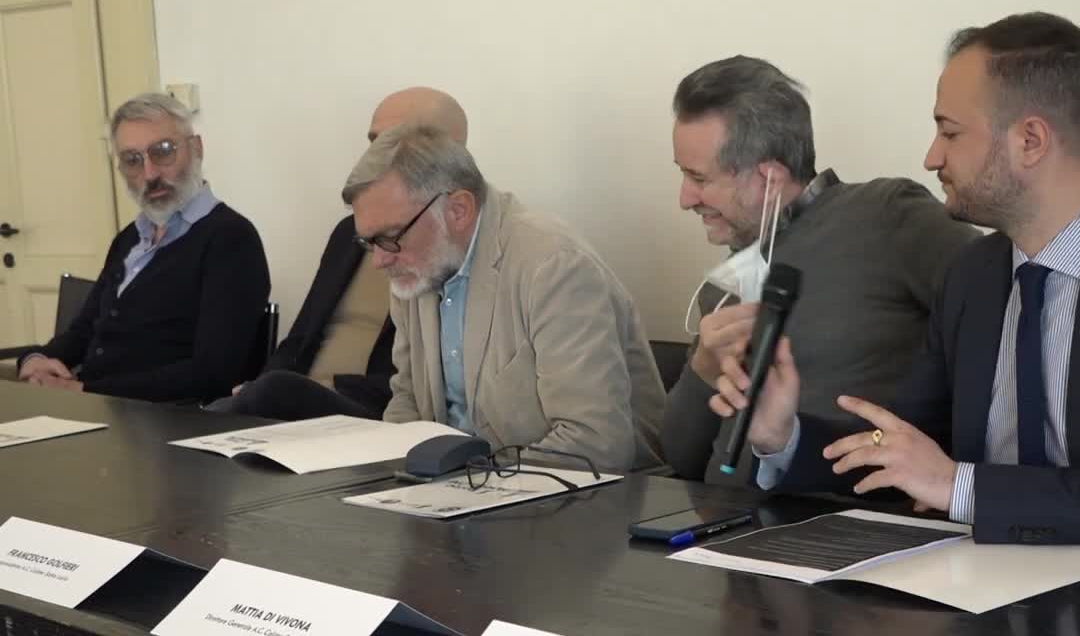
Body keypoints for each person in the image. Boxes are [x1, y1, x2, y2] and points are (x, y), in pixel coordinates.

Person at [713, 12, 1080, 548]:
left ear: (1030, 141)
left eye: (949, 132)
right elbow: (903, 448)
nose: (931, 157)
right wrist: (783, 436)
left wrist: (963, 488)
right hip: (978, 585)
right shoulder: (972, 275)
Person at [662, 55, 978, 483]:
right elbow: (680, 461)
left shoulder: (888, 217)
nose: (684, 199)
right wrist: (703, 368)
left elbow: (1000, 312)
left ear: (769, 178)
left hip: (839, 511)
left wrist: (954, 474)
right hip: (719, 517)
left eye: (699, 179)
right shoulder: (726, 285)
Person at [344, 122, 665, 471]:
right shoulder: (416, 269)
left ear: (458, 210)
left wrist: (476, 481)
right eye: (369, 242)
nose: (379, 260)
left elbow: (595, 443)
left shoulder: (554, 266)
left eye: (390, 237)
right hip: (464, 488)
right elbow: (407, 401)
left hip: (584, 491)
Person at [207, 87, 468, 419]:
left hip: (370, 408)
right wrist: (259, 386)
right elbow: (299, 338)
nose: (375, 155)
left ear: (450, 152)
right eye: (374, 142)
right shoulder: (349, 233)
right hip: (294, 402)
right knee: (218, 413)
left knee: (258, 398)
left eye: (394, 142)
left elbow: (430, 379)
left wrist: (312, 389)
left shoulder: (455, 241)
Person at [17, 93, 270, 403]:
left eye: (163, 152)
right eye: (132, 160)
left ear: (196, 149)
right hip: (100, 408)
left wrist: (85, 391)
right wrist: (37, 360)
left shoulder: (230, 239)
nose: (149, 174)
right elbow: (85, 331)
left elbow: (214, 373)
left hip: (168, 419)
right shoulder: (130, 238)